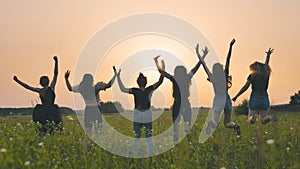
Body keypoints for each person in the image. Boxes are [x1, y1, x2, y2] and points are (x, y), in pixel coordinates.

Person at [154, 45, 208, 143]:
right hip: (185, 104)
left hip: (177, 104)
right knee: (187, 125)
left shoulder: (174, 79)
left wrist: (156, 62)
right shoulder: (187, 77)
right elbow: (196, 67)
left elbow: (162, 72)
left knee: (176, 127)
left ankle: (176, 142)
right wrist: (203, 56)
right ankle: (189, 142)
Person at [115, 62, 164, 157]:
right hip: (143, 113)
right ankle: (146, 156)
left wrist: (118, 76)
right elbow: (160, 82)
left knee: (138, 137)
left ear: (139, 82)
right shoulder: (147, 89)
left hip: (140, 113)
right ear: (144, 82)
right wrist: (162, 71)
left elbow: (122, 89)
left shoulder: (140, 90)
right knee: (146, 138)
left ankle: (137, 156)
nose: (142, 82)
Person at [13, 56, 62, 135]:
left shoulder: (52, 87)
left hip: (52, 110)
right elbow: (27, 87)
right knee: (43, 128)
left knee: (53, 128)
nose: (44, 81)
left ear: (47, 81)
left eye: (45, 80)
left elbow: (56, 74)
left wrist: (56, 62)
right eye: (43, 80)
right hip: (43, 111)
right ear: (41, 82)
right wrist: (17, 81)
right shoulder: (40, 90)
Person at [64, 67, 117, 138]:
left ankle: (86, 147)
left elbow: (70, 88)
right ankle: (97, 146)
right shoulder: (96, 88)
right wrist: (115, 75)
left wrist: (66, 79)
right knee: (98, 132)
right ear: (92, 80)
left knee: (88, 132)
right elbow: (108, 85)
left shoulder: (81, 88)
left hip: (88, 110)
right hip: (97, 110)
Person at [232, 48, 277, 124]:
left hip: (255, 96)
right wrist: (268, 56)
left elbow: (245, 87)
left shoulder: (252, 76)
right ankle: (269, 117)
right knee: (263, 120)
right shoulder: (265, 74)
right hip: (264, 97)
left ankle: (253, 117)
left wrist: (236, 96)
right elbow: (266, 65)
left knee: (251, 120)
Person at [197, 46, 227, 134]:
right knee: (216, 122)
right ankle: (210, 125)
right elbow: (204, 64)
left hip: (218, 99)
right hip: (222, 98)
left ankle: (211, 125)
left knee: (217, 121)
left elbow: (204, 64)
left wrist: (201, 54)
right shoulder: (223, 77)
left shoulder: (213, 77)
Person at [221, 39, 240, 136]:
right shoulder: (223, 77)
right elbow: (228, 61)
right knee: (227, 123)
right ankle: (235, 126)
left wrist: (230, 46)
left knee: (214, 120)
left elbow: (228, 59)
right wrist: (230, 46)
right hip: (227, 99)